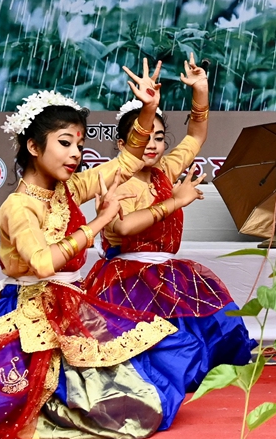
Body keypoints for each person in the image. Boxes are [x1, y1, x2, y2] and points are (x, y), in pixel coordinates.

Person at [0, 61, 199, 439]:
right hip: (25, 310)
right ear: (34, 147)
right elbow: (43, 263)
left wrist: (147, 109)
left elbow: (125, 162)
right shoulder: (19, 207)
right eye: (65, 143)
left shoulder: (68, 187)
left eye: (80, 145)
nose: (76, 153)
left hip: (68, 299)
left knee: (161, 358)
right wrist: (100, 221)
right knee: (27, 398)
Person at [84, 54, 254, 389]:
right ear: (122, 144)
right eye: (142, 136)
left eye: (159, 137)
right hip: (126, 276)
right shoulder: (116, 179)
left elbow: (196, 135)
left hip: (168, 271)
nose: (151, 144)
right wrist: (174, 201)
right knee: (150, 355)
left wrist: (201, 90)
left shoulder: (164, 171)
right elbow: (123, 227)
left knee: (221, 334)